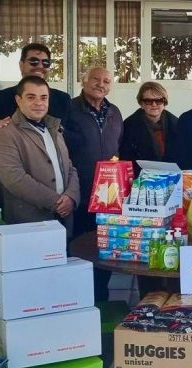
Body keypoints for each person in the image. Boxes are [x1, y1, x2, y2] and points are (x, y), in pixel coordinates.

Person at [0, 75, 79, 233]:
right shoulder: (5, 134)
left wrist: (71, 197)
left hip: (63, 221)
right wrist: (56, 202)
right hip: (28, 224)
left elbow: (70, 167)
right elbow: (14, 178)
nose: (39, 103)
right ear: (18, 100)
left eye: (44, 97)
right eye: (31, 97)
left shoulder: (55, 130)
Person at [63, 67, 123, 302]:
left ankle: (101, 298)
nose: (101, 84)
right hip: (78, 191)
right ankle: (77, 299)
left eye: (106, 81)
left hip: (107, 196)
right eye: (96, 79)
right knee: (78, 246)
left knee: (104, 247)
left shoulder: (115, 112)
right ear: (83, 80)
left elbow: (118, 148)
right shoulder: (69, 110)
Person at [0, 43, 71, 152]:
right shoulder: (1, 98)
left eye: (46, 63)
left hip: (54, 166)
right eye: (34, 62)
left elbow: (71, 141)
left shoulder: (62, 99)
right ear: (21, 65)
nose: (40, 66)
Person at [119, 82, 182, 172]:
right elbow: (125, 157)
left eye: (159, 100)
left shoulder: (177, 124)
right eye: (148, 101)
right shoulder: (128, 125)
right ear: (141, 103)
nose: (154, 104)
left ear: (164, 102)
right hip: (140, 179)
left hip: (171, 178)